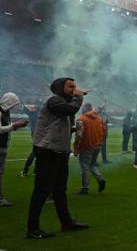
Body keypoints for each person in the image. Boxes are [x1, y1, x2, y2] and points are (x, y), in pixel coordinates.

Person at [26, 77, 89, 239]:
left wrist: (74, 129)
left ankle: (66, 223)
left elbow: (58, 124)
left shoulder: (62, 103)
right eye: (70, 87)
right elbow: (69, 110)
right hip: (48, 151)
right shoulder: (53, 100)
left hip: (60, 151)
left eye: (75, 86)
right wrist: (79, 96)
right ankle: (32, 229)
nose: (74, 89)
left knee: (60, 190)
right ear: (60, 87)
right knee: (42, 190)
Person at [1, 92, 29, 206]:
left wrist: (16, 125)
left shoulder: (4, 112)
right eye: (13, 104)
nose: (13, 107)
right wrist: (14, 126)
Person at [74, 103, 106, 194]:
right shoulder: (99, 118)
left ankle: (85, 188)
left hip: (87, 146)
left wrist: (76, 149)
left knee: (84, 166)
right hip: (98, 145)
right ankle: (100, 178)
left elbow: (79, 136)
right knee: (92, 164)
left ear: (84, 109)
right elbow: (104, 131)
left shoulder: (81, 119)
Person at [20, 102, 39, 177]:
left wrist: (35, 106)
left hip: (40, 134)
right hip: (36, 134)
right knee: (35, 152)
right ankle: (25, 170)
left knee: (39, 153)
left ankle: (35, 170)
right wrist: (32, 106)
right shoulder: (32, 114)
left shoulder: (37, 112)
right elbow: (25, 107)